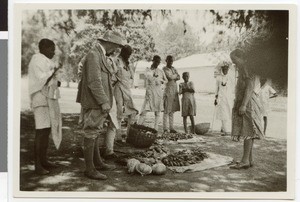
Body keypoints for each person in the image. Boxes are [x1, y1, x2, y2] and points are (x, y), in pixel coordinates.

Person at [76, 30, 125, 180]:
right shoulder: (94, 55)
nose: (116, 50)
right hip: (94, 101)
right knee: (91, 132)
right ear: (110, 42)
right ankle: (90, 169)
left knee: (96, 131)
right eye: (116, 46)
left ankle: (97, 162)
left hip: (97, 101)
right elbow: (94, 82)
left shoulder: (100, 54)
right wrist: (104, 101)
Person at [28, 38, 62, 175]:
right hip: (41, 99)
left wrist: (56, 78)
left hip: (49, 99)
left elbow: (53, 80)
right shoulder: (37, 59)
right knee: (41, 132)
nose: (54, 52)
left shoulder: (46, 60)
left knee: (46, 130)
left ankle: (44, 160)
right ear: (44, 48)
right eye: (51, 49)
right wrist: (54, 71)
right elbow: (41, 78)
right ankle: (37, 165)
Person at [229, 48, 264, 169]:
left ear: (241, 57)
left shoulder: (246, 68)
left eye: (234, 60)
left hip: (247, 102)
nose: (234, 63)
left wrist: (243, 104)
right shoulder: (243, 68)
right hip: (246, 100)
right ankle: (249, 159)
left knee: (247, 130)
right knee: (249, 131)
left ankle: (244, 161)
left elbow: (249, 86)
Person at [112, 45, 138, 140]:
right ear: (123, 52)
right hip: (118, 88)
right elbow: (112, 75)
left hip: (127, 89)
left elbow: (131, 77)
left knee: (133, 111)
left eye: (130, 54)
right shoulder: (116, 60)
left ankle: (129, 135)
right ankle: (117, 137)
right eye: (127, 53)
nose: (129, 56)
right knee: (119, 113)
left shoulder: (128, 63)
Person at [138, 55, 167, 130]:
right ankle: (138, 126)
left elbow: (166, 80)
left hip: (158, 92)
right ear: (153, 61)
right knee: (144, 110)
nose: (157, 63)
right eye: (156, 61)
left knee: (157, 112)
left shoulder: (161, 71)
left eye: (158, 62)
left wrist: (161, 81)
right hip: (150, 92)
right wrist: (155, 79)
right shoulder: (148, 70)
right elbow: (149, 78)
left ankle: (155, 129)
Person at [162, 55, 180, 133]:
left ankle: (171, 128)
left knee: (172, 110)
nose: (171, 62)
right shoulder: (164, 69)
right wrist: (175, 76)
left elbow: (179, 77)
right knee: (166, 110)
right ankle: (165, 128)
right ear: (166, 61)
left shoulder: (174, 68)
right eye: (169, 60)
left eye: (172, 61)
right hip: (168, 90)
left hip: (174, 90)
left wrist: (175, 76)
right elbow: (169, 77)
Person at [214, 63, 233, 136]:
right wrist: (215, 98)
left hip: (228, 98)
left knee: (228, 112)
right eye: (224, 69)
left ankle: (223, 127)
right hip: (221, 98)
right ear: (222, 70)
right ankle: (225, 130)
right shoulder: (218, 78)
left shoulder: (230, 77)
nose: (225, 71)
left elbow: (231, 88)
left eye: (226, 69)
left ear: (228, 70)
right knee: (222, 112)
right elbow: (216, 88)